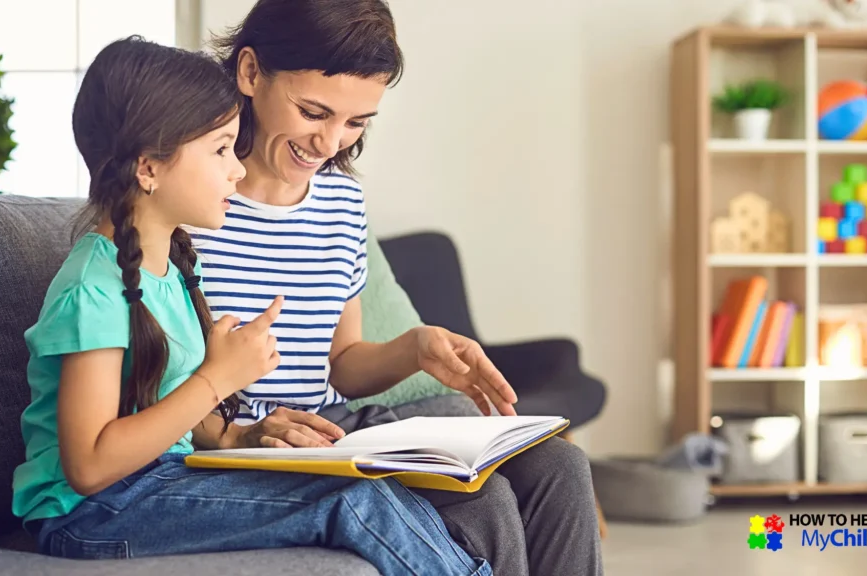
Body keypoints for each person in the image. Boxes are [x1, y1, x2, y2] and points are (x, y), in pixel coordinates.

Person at [11, 36, 491, 576]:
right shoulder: (94, 291)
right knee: (354, 504)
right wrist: (216, 379)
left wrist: (237, 433)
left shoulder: (168, 268)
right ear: (148, 168)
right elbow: (90, 465)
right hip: (92, 516)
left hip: (155, 485)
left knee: (364, 486)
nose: (236, 171)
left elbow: (170, 420)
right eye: (220, 150)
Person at [189, 1, 604, 574]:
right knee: (484, 500)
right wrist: (239, 432)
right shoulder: (190, 201)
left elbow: (340, 363)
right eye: (314, 111)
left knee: (561, 467)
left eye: (357, 122)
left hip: (332, 428)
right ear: (251, 72)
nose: (331, 142)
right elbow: (156, 379)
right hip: (255, 441)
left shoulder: (341, 201)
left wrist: (414, 348)